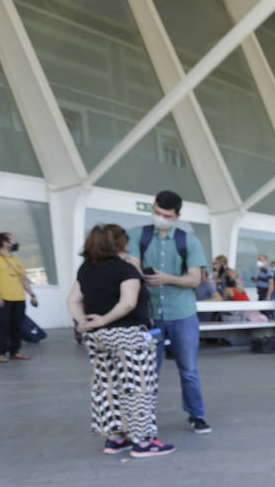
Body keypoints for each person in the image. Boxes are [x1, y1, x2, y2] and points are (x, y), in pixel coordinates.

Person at [68, 224, 172, 457]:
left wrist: (85, 322)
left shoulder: (85, 269)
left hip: (98, 338)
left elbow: (73, 301)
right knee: (138, 387)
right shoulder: (125, 270)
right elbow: (127, 303)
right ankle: (143, 441)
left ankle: (116, 438)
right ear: (120, 244)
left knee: (107, 386)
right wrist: (104, 318)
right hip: (129, 335)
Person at [128, 189, 211, 434]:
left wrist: (168, 279)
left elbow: (195, 280)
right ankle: (144, 419)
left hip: (182, 314)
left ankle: (197, 415)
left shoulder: (189, 241)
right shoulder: (137, 236)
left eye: (165, 214)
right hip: (150, 316)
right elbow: (131, 270)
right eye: (156, 212)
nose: (159, 217)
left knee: (189, 370)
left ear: (176, 216)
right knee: (148, 372)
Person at [0, 231, 37, 363]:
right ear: (5, 243)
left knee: (17, 326)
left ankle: (14, 351)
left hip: (19, 298)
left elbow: (22, 279)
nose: (16, 243)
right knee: (4, 325)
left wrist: (32, 295)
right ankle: (0, 353)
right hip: (3, 298)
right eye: (14, 241)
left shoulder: (15, 260)